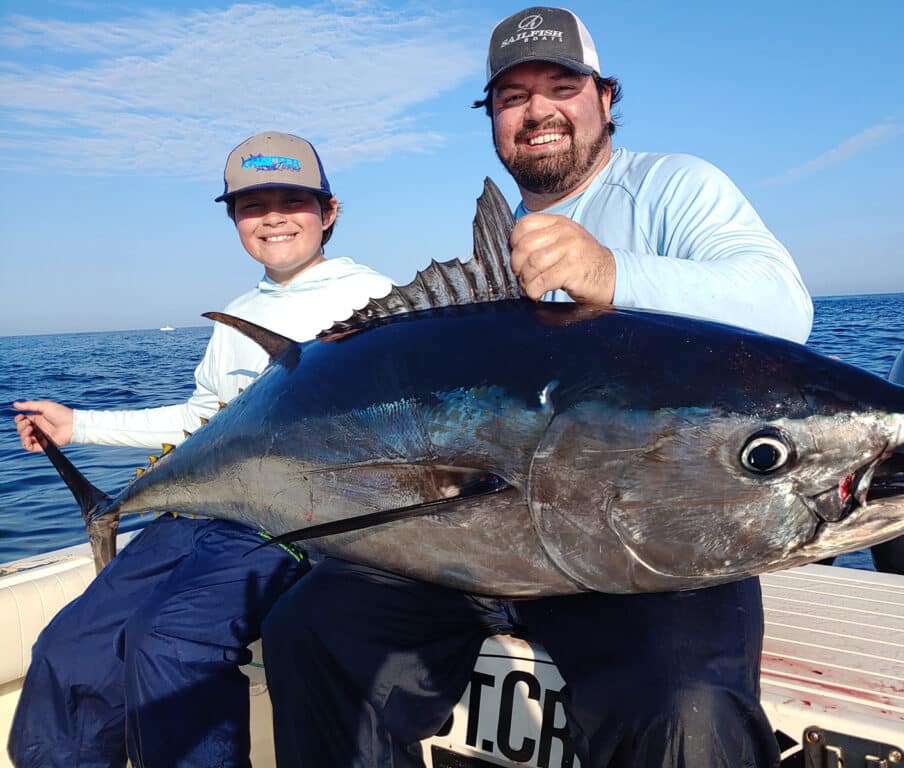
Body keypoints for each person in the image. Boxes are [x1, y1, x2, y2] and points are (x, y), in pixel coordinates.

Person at [262, 7, 813, 767]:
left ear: (605, 99)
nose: (539, 111)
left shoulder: (673, 187)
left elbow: (783, 306)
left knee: (688, 712)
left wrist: (609, 273)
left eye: (562, 85)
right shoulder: (497, 256)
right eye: (513, 97)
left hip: (643, 558)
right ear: (491, 118)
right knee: (311, 629)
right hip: (485, 546)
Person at [9, 131, 393, 768]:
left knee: (170, 640)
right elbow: (200, 420)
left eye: (292, 199)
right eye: (251, 204)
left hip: (290, 518)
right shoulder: (239, 314)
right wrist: (78, 425)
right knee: (67, 646)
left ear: (329, 212)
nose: (272, 215)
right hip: (202, 511)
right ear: (234, 220)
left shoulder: (377, 301)